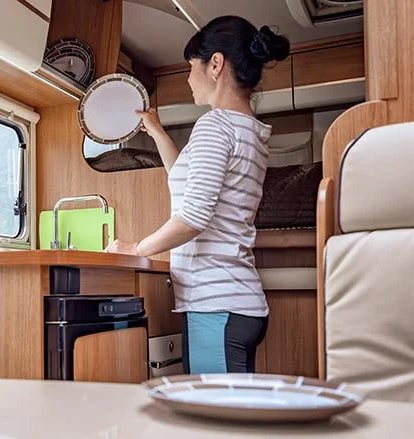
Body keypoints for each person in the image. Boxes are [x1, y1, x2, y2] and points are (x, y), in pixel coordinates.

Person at [105, 16, 290, 374]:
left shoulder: (215, 125)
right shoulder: (249, 130)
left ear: (216, 65)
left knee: (217, 425)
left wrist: (135, 249)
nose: (189, 78)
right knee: (231, 423)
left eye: (192, 67)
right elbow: (191, 186)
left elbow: (193, 217)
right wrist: (158, 133)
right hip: (238, 304)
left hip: (215, 304)